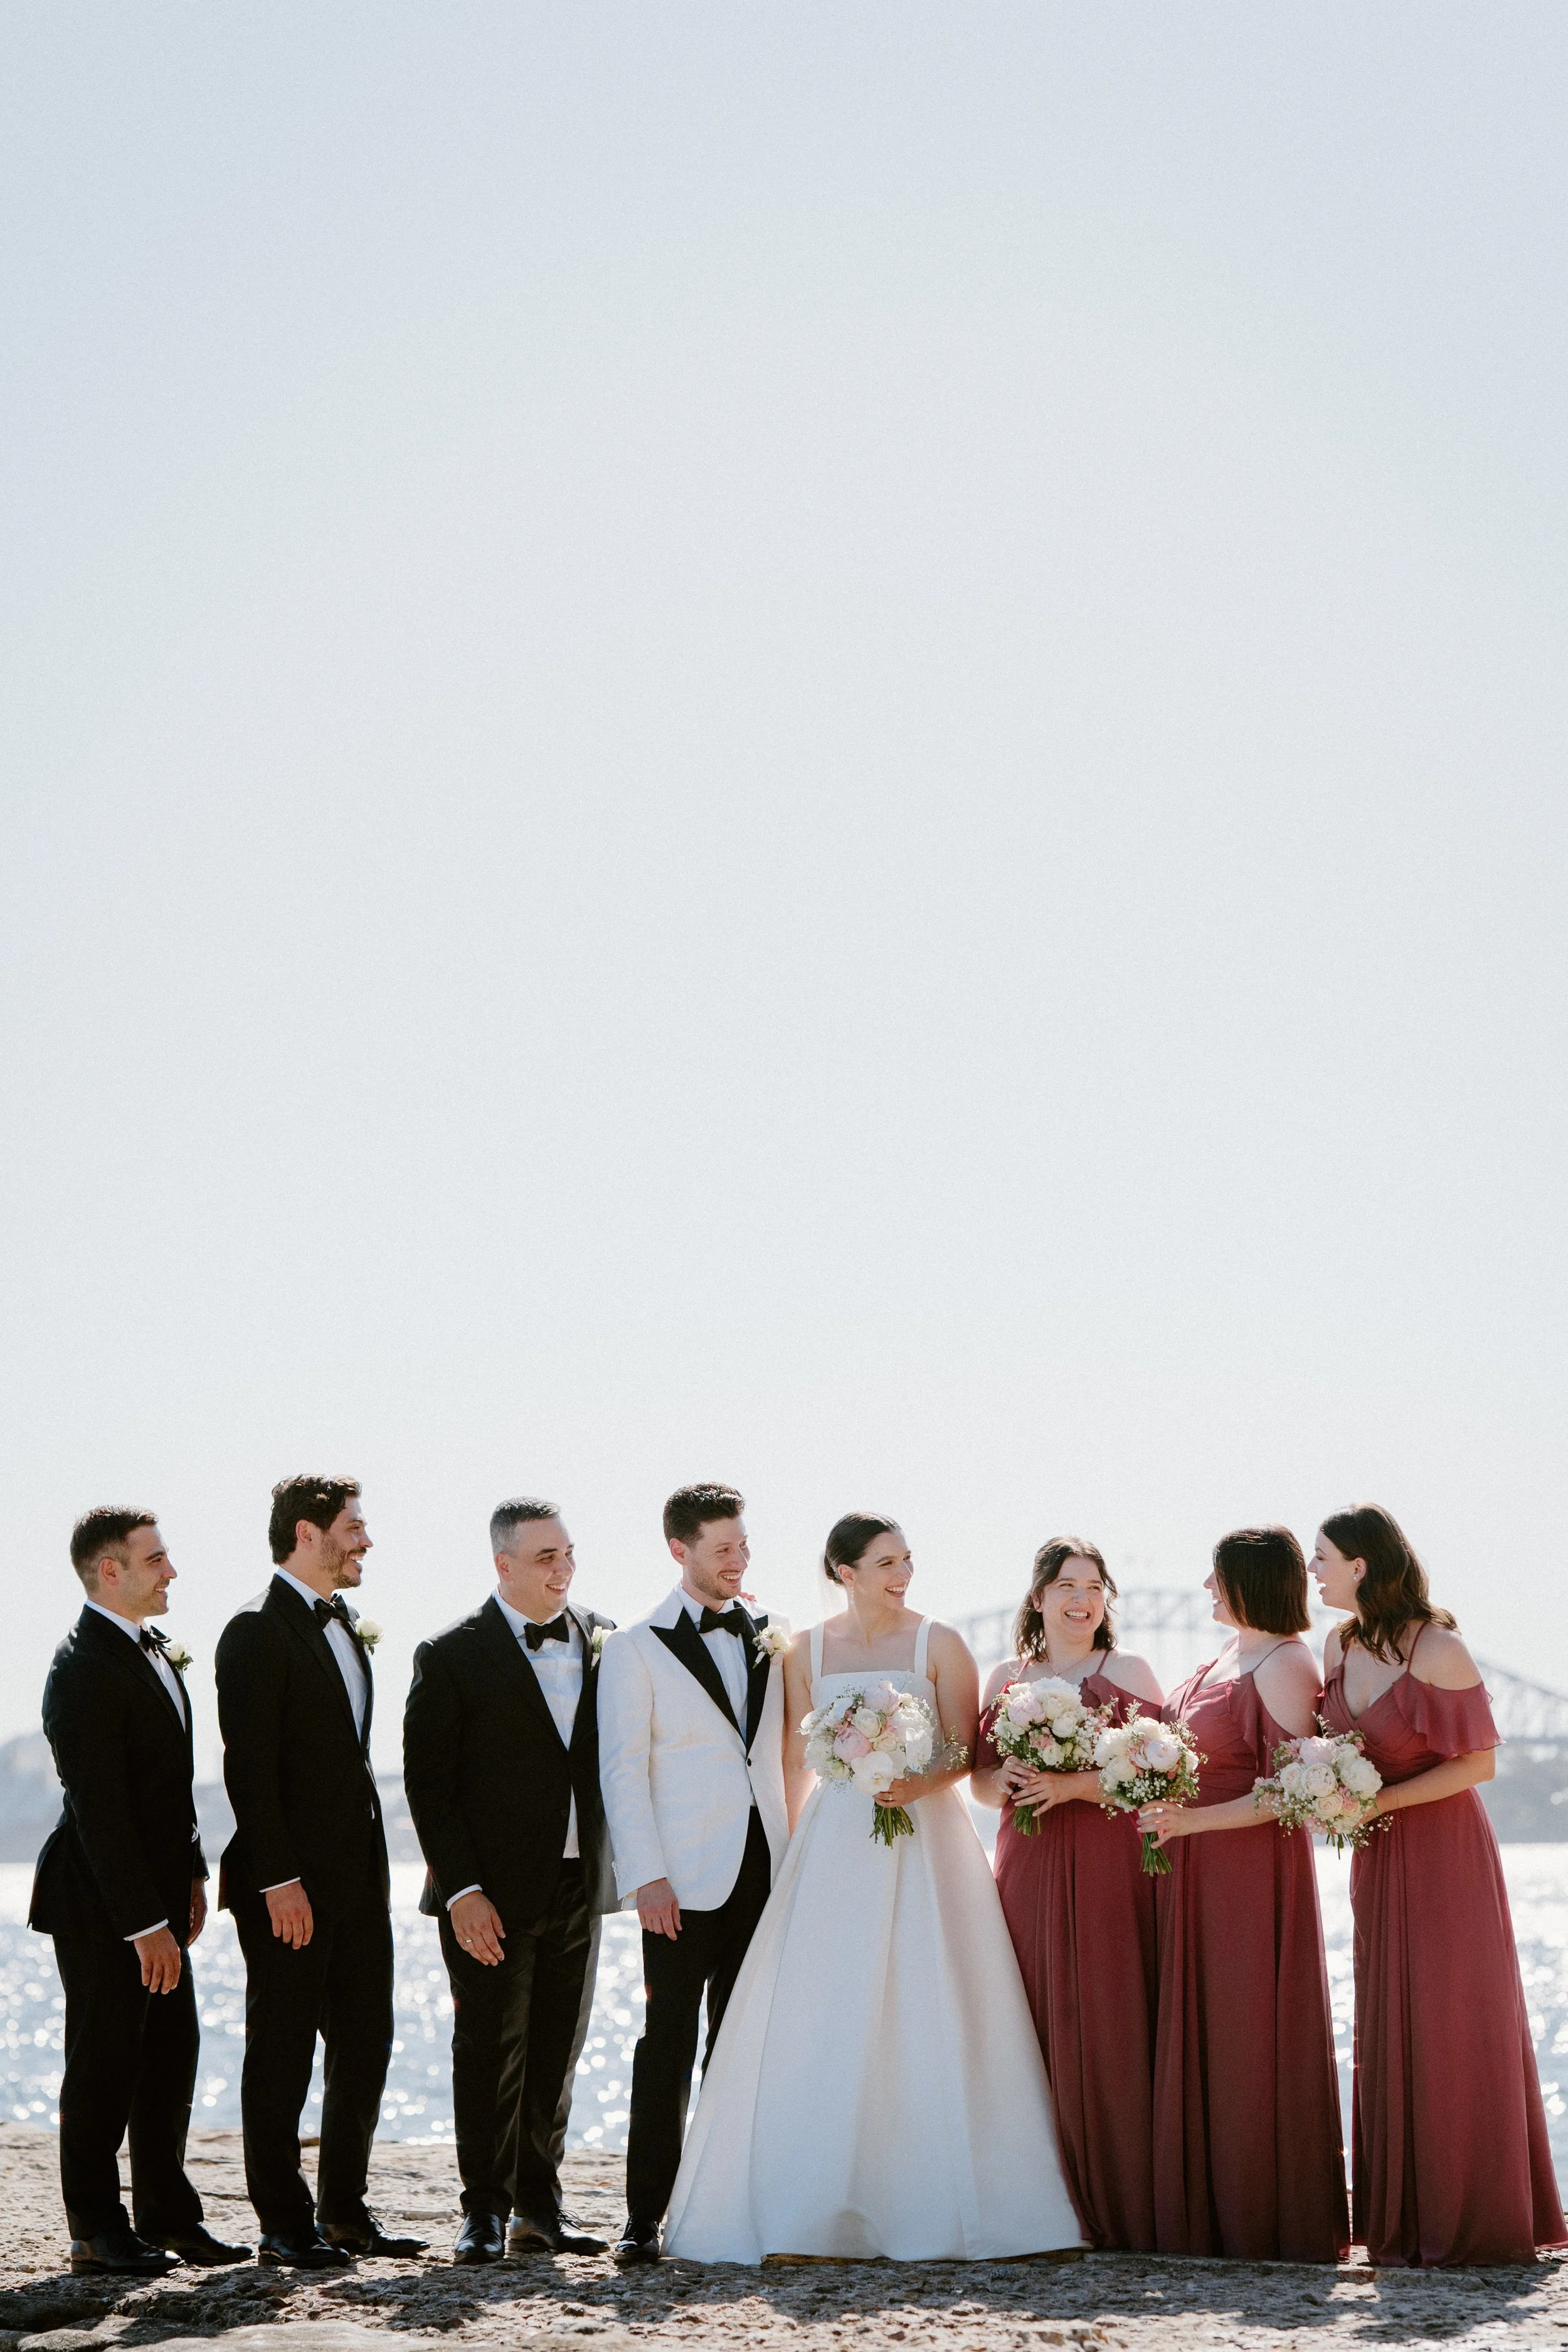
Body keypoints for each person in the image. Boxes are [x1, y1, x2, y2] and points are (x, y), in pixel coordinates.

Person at [662, 1513, 1084, 2265]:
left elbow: (962, 1747)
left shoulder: (939, 1642)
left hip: (927, 1837)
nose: (903, 1574)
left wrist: (914, 1779)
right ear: (844, 1571)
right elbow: (796, 1758)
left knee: (932, 2002)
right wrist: (790, 1852)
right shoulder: (805, 1649)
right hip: (833, 1844)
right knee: (829, 2009)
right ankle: (816, 2203)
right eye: (887, 1562)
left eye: (907, 1560)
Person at [1315, 1503, 1565, 2266]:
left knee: (1452, 2016)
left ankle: (1470, 2213)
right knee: (1387, 2016)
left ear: (1360, 1566)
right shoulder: (1336, 1642)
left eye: (1320, 1558)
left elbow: (1478, 1765)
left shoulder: (1438, 1647)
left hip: (1443, 1851)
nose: (1311, 1573)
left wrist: (1374, 1801)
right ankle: (1400, 2214)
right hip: (1376, 1854)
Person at [31, 1509, 250, 2276]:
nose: (172, 1572)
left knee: (170, 2054)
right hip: (100, 1905)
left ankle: (168, 2214)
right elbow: (103, 1812)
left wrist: (191, 1874)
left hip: (158, 1900)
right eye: (156, 1559)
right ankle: (95, 2228)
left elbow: (168, 1792)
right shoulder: (82, 1665)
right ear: (109, 1570)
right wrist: (142, 1924)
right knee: (103, 2062)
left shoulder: (152, 1652)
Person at [215, 1475, 426, 2268]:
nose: (365, 1540)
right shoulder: (253, 1632)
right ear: (307, 1533)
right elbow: (251, 1770)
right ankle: (282, 2223)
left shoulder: (345, 1627)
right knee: (281, 2052)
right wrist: (277, 1881)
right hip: (289, 1888)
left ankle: (345, 2213)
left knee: (366, 2042)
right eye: (354, 1526)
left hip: (361, 1881)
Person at [403, 1496, 617, 2264]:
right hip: (486, 1896)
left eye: (567, 1554)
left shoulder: (606, 1639)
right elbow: (429, 1787)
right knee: (489, 2050)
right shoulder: (451, 1653)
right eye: (544, 1558)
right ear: (503, 1565)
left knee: (558, 2051)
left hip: (579, 1885)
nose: (562, 1569)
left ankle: (539, 2208)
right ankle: (483, 2212)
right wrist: (461, 1892)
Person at [1136, 1526, 1348, 2263]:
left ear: (1249, 1582)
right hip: (1194, 1864)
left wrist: (1193, 1821)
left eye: (1216, 1578)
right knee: (1203, 2026)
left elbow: (1293, 1791)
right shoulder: (1227, 1654)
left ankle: (1261, 2215)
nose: (1204, 1590)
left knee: (1247, 2030)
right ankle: (1204, 2212)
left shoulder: (1288, 1661)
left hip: (1247, 1873)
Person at [596, 1483, 790, 2264]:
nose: (738, 1562)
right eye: (722, 1550)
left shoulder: (774, 1636)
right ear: (680, 1551)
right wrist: (646, 1878)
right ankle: (645, 2217)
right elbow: (623, 1771)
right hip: (678, 1885)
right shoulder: (635, 1647)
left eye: (743, 1546)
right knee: (665, 2047)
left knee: (744, 2047)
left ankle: (729, 2206)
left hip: (764, 1872)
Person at [972, 1538, 1164, 2251]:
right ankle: (1038, 2196)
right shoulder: (1004, 1676)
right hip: (1028, 1857)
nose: (1081, 1599)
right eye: (1065, 1586)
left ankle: (1123, 2192)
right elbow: (979, 1781)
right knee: (1029, 2003)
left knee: (1111, 2008)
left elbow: (1159, 1772)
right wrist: (1014, 1781)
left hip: (1110, 1859)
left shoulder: (1130, 1671)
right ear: (1038, 1598)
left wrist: (1073, 1784)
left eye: (1093, 1586)